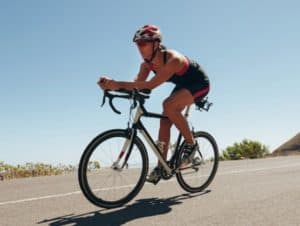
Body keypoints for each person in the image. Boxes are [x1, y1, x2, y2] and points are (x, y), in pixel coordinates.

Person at [98, 24, 210, 185]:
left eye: (143, 43)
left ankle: (191, 145)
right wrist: (112, 88)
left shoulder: (173, 59)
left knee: (168, 105)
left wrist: (116, 84)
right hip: (184, 86)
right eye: (138, 44)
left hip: (200, 83)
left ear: (156, 44)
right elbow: (138, 85)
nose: (140, 48)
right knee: (164, 119)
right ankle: (161, 166)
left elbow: (150, 85)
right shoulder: (146, 65)